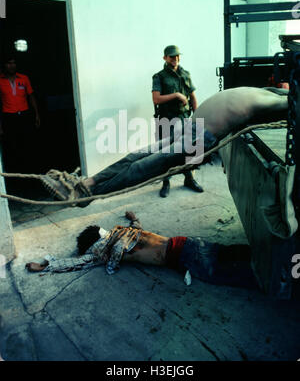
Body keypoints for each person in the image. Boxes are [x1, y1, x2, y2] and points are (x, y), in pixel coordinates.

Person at [40, 86, 288, 205]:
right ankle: (87, 182)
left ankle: (87, 196)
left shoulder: (276, 103)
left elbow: (289, 106)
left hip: (198, 141)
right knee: (135, 156)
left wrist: (288, 96)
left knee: (142, 168)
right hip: (190, 126)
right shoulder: (272, 92)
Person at [25, 211, 257, 289]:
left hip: (183, 256)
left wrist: (46, 265)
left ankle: (268, 278)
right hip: (187, 242)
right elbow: (136, 227)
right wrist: (133, 217)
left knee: (223, 274)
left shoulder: (108, 247)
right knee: (226, 252)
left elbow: (78, 263)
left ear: (93, 245)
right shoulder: (121, 232)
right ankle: (266, 252)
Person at [152, 45, 203, 197]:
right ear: (165, 58)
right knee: (167, 152)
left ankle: (189, 179)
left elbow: (192, 96)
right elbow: (156, 98)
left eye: (177, 56)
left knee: (188, 150)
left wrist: (197, 116)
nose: (175, 59)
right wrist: (176, 95)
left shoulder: (185, 74)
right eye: (172, 57)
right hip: (167, 119)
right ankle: (166, 182)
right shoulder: (159, 76)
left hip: (184, 118)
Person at [0, 55, 40, 182]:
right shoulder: (0, 80)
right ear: (4, 65)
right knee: (12, 146)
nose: (12, 66)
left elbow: (31, 96)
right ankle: (16, 177)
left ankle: (30, 174)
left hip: (24, 115)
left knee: (28, 143)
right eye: (9, 63)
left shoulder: (24, 78)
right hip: (8, 117)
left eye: (14, 63)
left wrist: (37, 114)